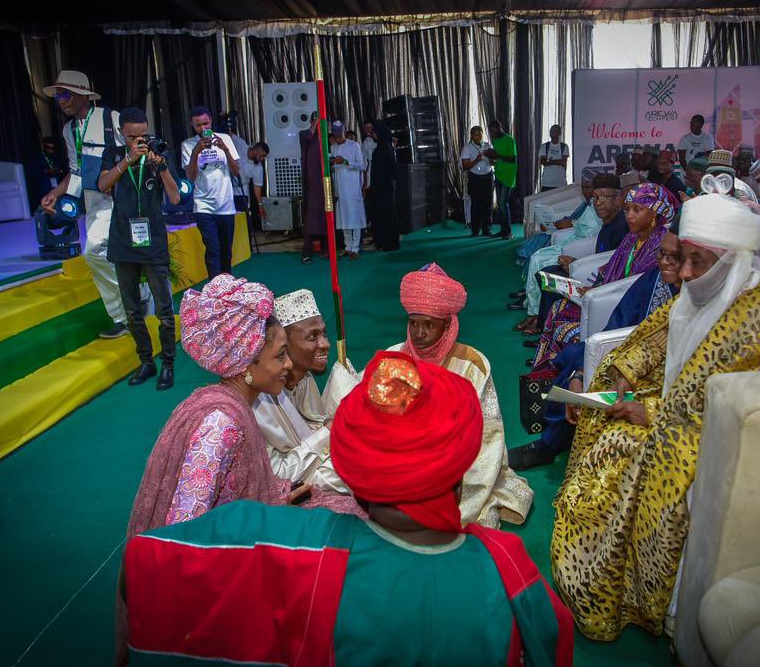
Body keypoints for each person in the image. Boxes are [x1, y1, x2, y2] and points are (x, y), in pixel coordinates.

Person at [122, 351, 574, 667]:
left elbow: (146, 561)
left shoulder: (295, 550)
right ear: (459, 469)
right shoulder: (512, 574)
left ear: (356, 481)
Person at [551, 192, 760, 641]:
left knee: (619, 446)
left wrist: (652, 411)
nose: (683, 274)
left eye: (696, 263)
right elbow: (661, 330)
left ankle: (631, 588)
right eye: (682, 259)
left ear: (731, 261)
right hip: (679, 412)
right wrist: (624, 370)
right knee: (604, 413)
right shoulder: (712, 286)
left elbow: (749, 409)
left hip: (731, 441)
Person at [115, 274, 302, 666]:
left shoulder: (229, 401)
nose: (288, 364)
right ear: (248, 359)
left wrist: (278, 495)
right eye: (280, 354)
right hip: (214, 588)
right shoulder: (221, 424)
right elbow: (181, 534)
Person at [509, 212, 685, 472]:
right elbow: (616, 327)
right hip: (631, 365)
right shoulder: (653, 281)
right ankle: (550, 443)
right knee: (576, 366)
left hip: (668, 390)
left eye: (676, 257)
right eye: (661, 254)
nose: (665, 262)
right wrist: (581, 372)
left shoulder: (710, 302)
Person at [387, 263, 534, 527]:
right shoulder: (394, 357)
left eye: (428, 325)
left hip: (456, 464)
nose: (419, 334)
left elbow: (486, 435)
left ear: (447, 326)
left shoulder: (473, 364)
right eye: (413, 324)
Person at [530, 182, 676, 372]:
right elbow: (612, 265)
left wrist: (598, 291)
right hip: (605, 293)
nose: (629, 216)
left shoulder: (660, 243)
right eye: (627, 210)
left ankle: (566, 366)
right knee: (559, 306)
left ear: (654, 213)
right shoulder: (633, 236)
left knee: (570, 329)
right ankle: (547, 365)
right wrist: (594, 287)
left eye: (637, 210)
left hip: (621, 305)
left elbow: (636, 283)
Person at [252, 288, 362, 515]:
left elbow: (313, 427)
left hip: (313, 468)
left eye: (324, 334)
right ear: (284, 345)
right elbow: (280, 478)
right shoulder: (259, 400)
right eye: (313, 337)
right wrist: (329, 431)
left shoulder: (305, 379)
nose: (325, 344)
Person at [97, 108, 181, 391]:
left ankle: (168, 364)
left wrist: (161, 166)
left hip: (153, 239)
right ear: (122, 133)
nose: (139, 140)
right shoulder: (113, 153)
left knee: (165, 310)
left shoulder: (157, 152)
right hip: (123, 239)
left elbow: (174, 196)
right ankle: (146, 361)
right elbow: (103, 185)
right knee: (133, 310)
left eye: (143, 135)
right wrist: (128, 160)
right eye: (133, 136)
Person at [40, 70, 128, 339]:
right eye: (58, 96)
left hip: (121, 199)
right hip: (94, 203)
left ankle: (130, 311)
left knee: (95, 251)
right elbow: (76, 170)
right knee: (99, 254)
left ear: (83, 94)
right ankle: (126, 314)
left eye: (65, 94)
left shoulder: (111, 118)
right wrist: (56, 192)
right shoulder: (69, 130)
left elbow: (138, 153)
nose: (61, 100)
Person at [513, 173, 628, 334]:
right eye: (595, 198)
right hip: (591, 272)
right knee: (546, 274)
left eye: (604, 198)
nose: (598, 203)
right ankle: (542, 324)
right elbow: (601, 256)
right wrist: (575, 261)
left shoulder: (621, 227)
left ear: (617, 199)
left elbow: (614, 265)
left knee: (550, 275)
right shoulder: (608, 223)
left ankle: (544, 328)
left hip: (599, 283)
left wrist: (575, 266)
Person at [181, 106, 240, 278]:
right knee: (213, 250)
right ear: (192, 125)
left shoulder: (225, 139)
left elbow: (236, 171)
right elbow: (190, 177)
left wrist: (226, 149)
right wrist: (195, 153)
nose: (203, 129)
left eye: (205, 124)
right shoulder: (188, 145)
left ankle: (228, 287)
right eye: (198, 125)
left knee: (226, 252)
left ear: (211, 121)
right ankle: (215, 291)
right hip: (203, 206)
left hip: (226, 205)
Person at [516, 172, 595, 271]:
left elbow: (583, 227)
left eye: (588, 188)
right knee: (541, 236)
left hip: (572, 235)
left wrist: (565, 225)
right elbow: (570, 218)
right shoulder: (584, 204)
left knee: (543, 240)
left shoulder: (595, 208)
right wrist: (551, 224)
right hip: (565, 230)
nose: (585, 191)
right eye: (583, 188)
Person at [328, 121, 367, 259]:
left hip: (352, 188)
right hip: (340, 188)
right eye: (335, 135)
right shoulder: (333, 147)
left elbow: (361, 166)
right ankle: (347, 246)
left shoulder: (354, 145)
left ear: (343, 132)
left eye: (339, 135)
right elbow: (333, 169)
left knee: (354, 217)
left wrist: (345, 162)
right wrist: (333, 164)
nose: (337, 138)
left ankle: (355, 248)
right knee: (343, 218)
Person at [365, 118, 400, 251]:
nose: (373, 135)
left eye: (374, 133)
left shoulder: (380, 150)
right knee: (389, 215)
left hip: (381, 189)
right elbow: (394, 171)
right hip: (387, 188)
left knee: (384, 216)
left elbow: (378, 173)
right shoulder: (388, 147)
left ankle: (387, 243)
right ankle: (390, 242)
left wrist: (374, 189)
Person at [297, 111, 327, 264]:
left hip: (325, 182)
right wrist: (315, 124)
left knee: (325, 214)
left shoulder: (324, 138)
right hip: (311, 183)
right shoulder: (304, 135)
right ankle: (306, 251)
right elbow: (308, 136)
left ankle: (325, 249)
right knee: (311, 216)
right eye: (315, 120)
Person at [461, 125, 494, 237]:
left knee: (488, 204)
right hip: (475, 178)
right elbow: (465, 166)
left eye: (480, 133)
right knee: (475, 204)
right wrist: (477, 159)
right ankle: (475, 230)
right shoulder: (467, 148)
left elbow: (493, 161)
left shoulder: (487, 145)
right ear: (471, 136)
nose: (479, 136)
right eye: (476, 134)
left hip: (488, 176)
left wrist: (492, 157)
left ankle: (486, 229)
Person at [486, 120, 518, 239]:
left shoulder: (510, 140)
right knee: (500, 205)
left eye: (493, 130)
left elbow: (513, 160)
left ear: (499, 127)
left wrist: (497, 156)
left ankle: (509, 232)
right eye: (490, 131)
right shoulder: (494, 140)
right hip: (498, 174)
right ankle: (503, 230)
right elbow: (496, 160)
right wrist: (490, 156)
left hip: (508, 177)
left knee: (503, 204)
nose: (491, 133)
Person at [25, 135, 67, 210]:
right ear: (44, 147)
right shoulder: (37, 158)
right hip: (44, 187)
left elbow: (64, 169)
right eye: (48, 148)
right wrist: (45, 171)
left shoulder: (57, 157)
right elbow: (31, 173)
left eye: (53, 148)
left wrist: (58, 170)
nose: (51, 150)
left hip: (57, 185)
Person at [539, 124, 570, 191]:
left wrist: (550, 161)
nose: (552, 132)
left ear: (559, 133)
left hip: (560, 183)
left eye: (554, 130)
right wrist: (558, 161)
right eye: (551, 130)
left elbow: (563, 162)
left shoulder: (564, 146)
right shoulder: (544, 146)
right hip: (547, 183)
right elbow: (543, 162)